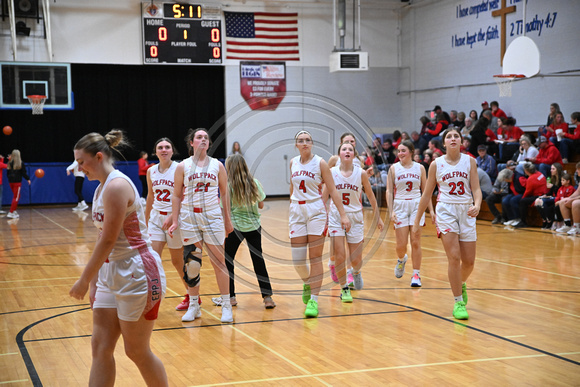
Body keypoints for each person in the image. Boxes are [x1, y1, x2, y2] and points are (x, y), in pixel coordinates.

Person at [68, 130, 168, 386]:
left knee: (136, 351)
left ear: (99, 157)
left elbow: (109, 240)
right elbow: (105, 241)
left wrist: (84, 279)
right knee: (100, 347)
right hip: (111, 272)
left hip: (138, 272)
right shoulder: (101, 188)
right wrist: (95, 282)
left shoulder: (116, 186)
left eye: (81, 162)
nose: (79, 168)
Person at [413, 127, 482, 320]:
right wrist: (418, 220)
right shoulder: (436, 164)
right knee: (454, 257)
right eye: (449, 137)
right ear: (444, 143)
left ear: (462, 142)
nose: (453, 139)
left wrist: (477, 204)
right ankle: (458, 302)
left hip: (466, 210)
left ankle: (460, 283)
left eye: (456, 136)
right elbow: (427, 194)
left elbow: (476, 189)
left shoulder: (470, 162)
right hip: (446, 210)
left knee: (469, 262)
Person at [168, 128, 234, 323]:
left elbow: (225, 193)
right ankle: (194, 305)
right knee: (193, 263)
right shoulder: (183, 166)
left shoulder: (217, 166)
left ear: (209, 143)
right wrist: (174, 219)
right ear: (192, 143)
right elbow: (177, 195)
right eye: (199, 137)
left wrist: (227, 219)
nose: (203, 139)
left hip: (213, 217)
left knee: (219, 262)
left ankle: (226, 305)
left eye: (206, 137)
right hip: (190, 217)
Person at [289, 130, 351, 318]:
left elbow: (332, 189)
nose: (305, 143)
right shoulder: (292, 162)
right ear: (296, 145)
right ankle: (307, 283)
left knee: (315, 257)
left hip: (315, 210)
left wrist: (343, 214)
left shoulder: (320, 163)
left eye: (308, 140)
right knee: (298, 260)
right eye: (301, 140)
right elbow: (291, 188)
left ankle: (314, 301)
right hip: (296, 210)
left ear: (312, 143)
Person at [213, 154, 276, 309]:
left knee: (228, 261)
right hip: (254, 226)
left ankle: (232, 297)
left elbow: (224, 209)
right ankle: (267, 298)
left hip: (234, 227)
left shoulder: (227, 186)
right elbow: (261, 205)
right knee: (258, 260)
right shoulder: (255, 183)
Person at [323, 141, 383, 301]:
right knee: (340, 255)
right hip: (336, 216)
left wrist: (378, 218)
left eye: (350, 149)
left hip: (355, 217)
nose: (347, 151)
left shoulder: (361, 173)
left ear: (354, 155)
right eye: (344, 149)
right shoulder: (331, 172)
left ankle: (356, 272)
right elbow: (324, 197)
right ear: (339, 154)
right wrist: (322, 219)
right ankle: (344, 289)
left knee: (356, 259)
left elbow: (370, 196)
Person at [145, 137, 194, 312]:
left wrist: (174, 215)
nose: (164, 150)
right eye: (160, 147)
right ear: (155, 151)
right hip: (156, 220)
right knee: (151, 260)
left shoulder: (179, 168)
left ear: (172, 151)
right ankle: (151, 299)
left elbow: (185, 195)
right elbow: (150, 196)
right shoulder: (151, 171)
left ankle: (191, 295)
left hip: (175, 220)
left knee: (177, 261)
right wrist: (146, 220)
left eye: (167, 147)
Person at [387, 140, 432, 287]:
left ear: (411, 152)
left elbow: (426, 191)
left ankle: (416, 274)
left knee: (415, 240)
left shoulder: (420, 168)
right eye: (399, 151)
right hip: (400, 204)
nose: (400, 153)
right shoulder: (393, 168)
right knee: (401, 245)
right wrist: (391, 210)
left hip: (416, 204)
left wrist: (431, 210)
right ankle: (401, 260)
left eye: (403, 150)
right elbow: (388, 190)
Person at [513, 163, 548, 228]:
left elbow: (528, 192)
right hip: (544, 193)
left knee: (522, 202)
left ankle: (523, 221)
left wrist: (522, 198)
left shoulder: (531, 178)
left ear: (526, 171)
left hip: (539, 195)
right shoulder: (539, 173)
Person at [534, 163, 564, 229]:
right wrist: (546, 195)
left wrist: (553, 186)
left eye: (553, 169)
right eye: (551, 169)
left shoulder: (562, 178)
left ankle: (549, 220)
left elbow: (561, 191)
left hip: (559, 197)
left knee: (542, 202)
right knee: (537, 201)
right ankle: (544, 220)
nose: (551, 170)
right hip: (553, 197)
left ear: (558, 170)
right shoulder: (552, 178)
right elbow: (551, 192)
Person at [6, 149, 31, 219]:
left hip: (11, 182)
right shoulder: (20, 163)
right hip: (17, 182)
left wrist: (10, 179)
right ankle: (11, 212)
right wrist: (28, 179)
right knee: (16, 197)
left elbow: (7, 174)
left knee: (17, 196)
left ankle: (13, 211)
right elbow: (24, 173)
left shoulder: (9, 163)